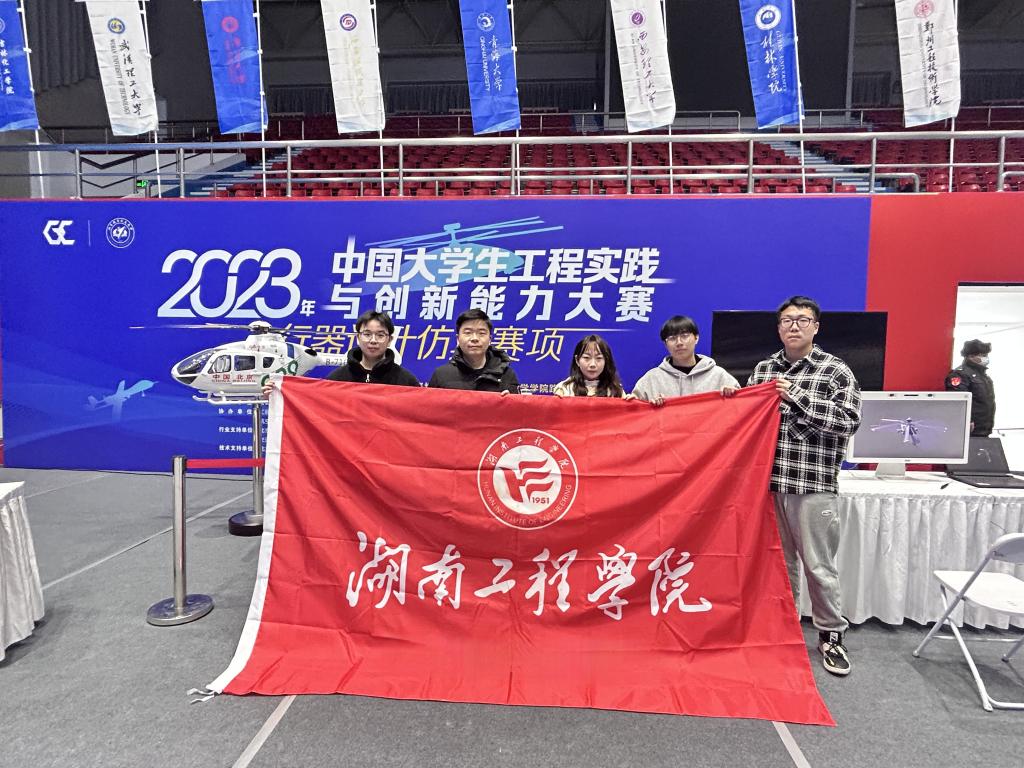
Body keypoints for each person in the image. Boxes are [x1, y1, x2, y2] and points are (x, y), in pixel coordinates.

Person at [747, 296, 861, 677]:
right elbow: (745, 419)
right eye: (786, 320)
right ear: (778, 328)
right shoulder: (763, 369)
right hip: (770, 486)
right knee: (778, 566)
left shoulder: (835, 371)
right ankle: (784, 628)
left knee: (818, 566)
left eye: (802, 320)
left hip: (813, 486)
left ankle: (831, 634)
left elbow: (848, 421)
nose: (793, 326)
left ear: (816, 327)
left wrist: (795, 395)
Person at [632, 315, 739, 403]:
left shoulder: (718, 375)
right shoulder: (651, 379)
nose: (679, 342)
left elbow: (741, 406)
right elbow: (634, 410)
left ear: (696, 338)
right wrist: (649, 406)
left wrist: (732, 395)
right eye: (672, 338)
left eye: (685, 336)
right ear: (665, 344)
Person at [428, 309, 519, 393]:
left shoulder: (506, 375)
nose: (474, 338)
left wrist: (509, 401)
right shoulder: (441, 375)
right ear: (458, 339)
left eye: (481, 333)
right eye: (468, 333)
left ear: (490, 339)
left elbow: (516, 405)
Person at [325, 309, 420, 386]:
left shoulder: (406, 381)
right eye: (367, 334)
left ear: (390, 340)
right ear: (358, 338)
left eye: (380, 335)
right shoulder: (336, 379)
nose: (373, 340)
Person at [553, 335, 634, 399]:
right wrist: (557, 403)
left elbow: (625, 414)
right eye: (587, 358)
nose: (592, 364)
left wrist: (629, 405)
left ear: (606, 361)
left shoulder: (615, 390)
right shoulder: (564, 389)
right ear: (577, 360)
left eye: (598, 358)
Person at [945, 339, 995, 437]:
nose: (986, 358)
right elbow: (958, 400)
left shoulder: (983, 376)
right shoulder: (960, 374)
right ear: (971, 356)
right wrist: (967, 420)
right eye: (983, 355)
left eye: (986, 355)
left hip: (984, 428)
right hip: (970, 429)